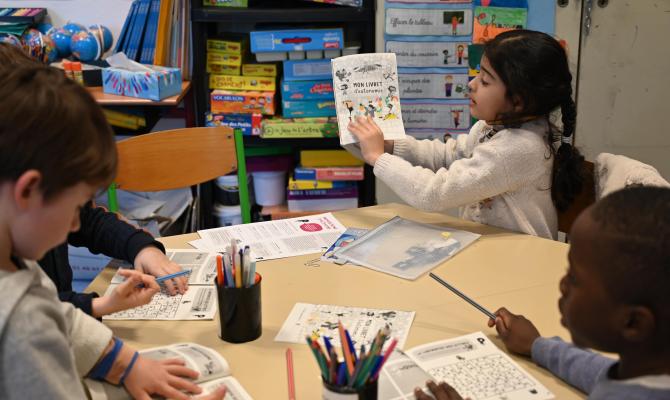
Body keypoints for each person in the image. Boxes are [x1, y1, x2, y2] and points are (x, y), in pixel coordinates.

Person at [0, 65, 225, 399]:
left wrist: (125, 364)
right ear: (29, 190)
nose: (76, 225)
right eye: (75, 207)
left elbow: (62, 316)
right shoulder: (23, 326)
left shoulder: (13, 257)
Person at [414, 187, 670, 399]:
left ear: (634, 323)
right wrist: (537, 346)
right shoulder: (643, 370)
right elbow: (599, 372)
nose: (561, 285)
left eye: (574, 278)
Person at [0, 43, 188, 318]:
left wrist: (141, 247)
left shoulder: (30, 212)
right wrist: (97, 306)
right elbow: (40, 315)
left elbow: (88, 222)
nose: (74, 222)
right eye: (73, 206)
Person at [346, 30, 584, 239]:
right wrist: (391, 145)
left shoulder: (519, 148)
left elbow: (434, 194)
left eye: (486, 81)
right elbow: (447, 156)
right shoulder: (490, 127)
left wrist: (379, 158)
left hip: (518, 268)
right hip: (487, 254)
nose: (471, 84)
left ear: (518, 101)